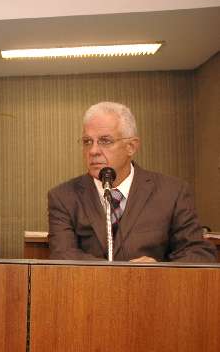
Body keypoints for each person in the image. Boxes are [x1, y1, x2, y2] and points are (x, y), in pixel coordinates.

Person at [47, 101, 216, 262]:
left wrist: (159, 270)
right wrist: (125, 273)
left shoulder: (172, 193)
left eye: (105, 141)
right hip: (89, 283)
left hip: (152, 283)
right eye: (87, 142)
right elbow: (62, 255)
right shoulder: (63, 197)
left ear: (131, 147)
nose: (93, 151)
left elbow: (198, 254)